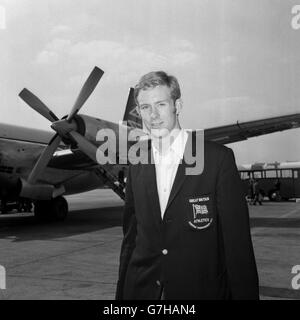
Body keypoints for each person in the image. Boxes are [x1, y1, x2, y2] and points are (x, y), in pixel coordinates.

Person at [115, 71, 259, 300]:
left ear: (177, 105)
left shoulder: (217, 159)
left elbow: (237, 246)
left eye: (161, 104)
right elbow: (131, 240)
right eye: (145, 107)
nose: (153, 115)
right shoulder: (137, 163)